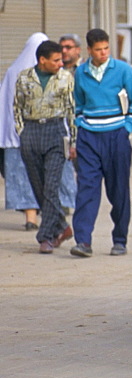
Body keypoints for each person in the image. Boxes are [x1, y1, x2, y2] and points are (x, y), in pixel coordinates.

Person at [71, 28, 132, 257]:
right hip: (89, 138)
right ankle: (83, 241)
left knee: (118, 190)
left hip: (117, 137)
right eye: (98, 49)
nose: (103, 53)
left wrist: (125, 130)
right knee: (86, 190)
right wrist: (81, 126)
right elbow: (78, 106)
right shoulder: (80, 73)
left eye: (106, 48)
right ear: (89, 50)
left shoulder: (123, 70)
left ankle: (120, 239)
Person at [1, 33, 75, 232]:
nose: (60, 63)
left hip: (45, 134)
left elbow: (69, 109)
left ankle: (44, 231)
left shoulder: (62, 77)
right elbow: (15, 107)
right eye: (56, 59)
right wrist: (23, 132)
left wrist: (71, 141)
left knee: (48, 183)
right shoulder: (22, 76)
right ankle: (58, 225)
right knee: (37, 183)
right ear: (42, 58)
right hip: (29, 135)